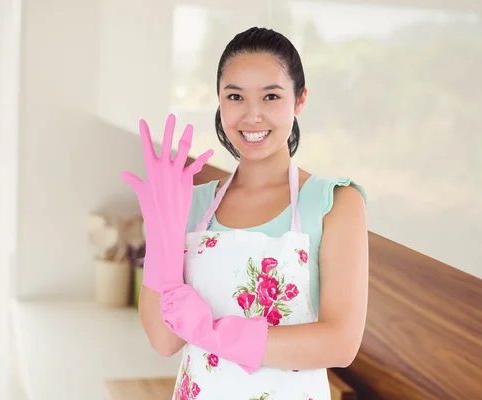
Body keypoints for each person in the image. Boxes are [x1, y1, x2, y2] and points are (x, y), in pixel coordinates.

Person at [121, 27, 368, 400]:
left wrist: (213, 334)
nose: (252, 115)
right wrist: (160, 232)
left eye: (271, 96)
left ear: (299, 100)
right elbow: (164, 339)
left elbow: (340, 343)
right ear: (219, 102)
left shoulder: (334, 203)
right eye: (235, 96)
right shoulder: (190, 204)